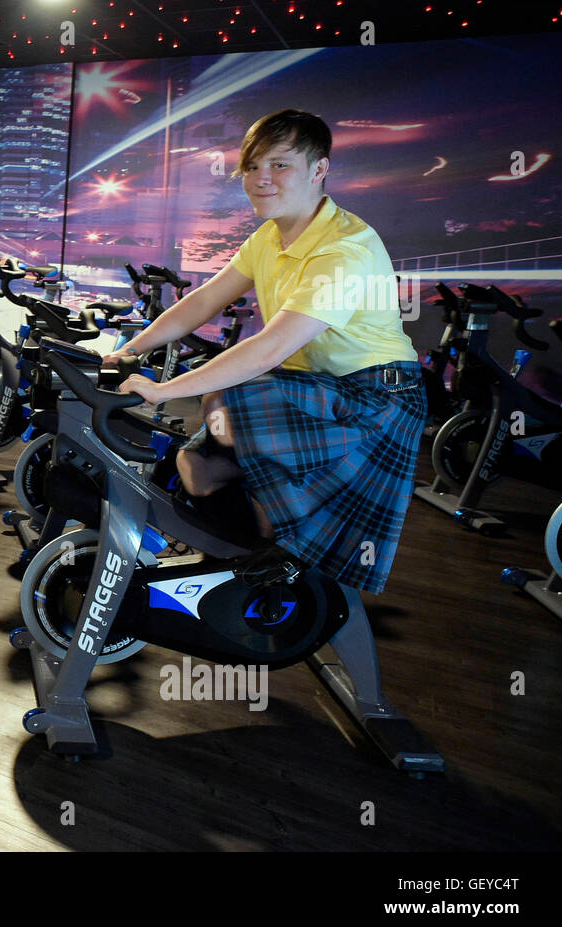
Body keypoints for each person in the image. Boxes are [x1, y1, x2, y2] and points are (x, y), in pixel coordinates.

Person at [104, 109, 422, 593]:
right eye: (252, 167)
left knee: (228, 400)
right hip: (314, 385)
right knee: (198, 460)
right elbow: (203, 301)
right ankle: (241, 528)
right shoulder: (268, 237)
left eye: (279, 165)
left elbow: (270, 346)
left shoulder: (343, 250)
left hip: (374, 395)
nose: (260, 179)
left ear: (319, 170)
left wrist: (163, 388)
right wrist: (127, 350)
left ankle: (277, 547)